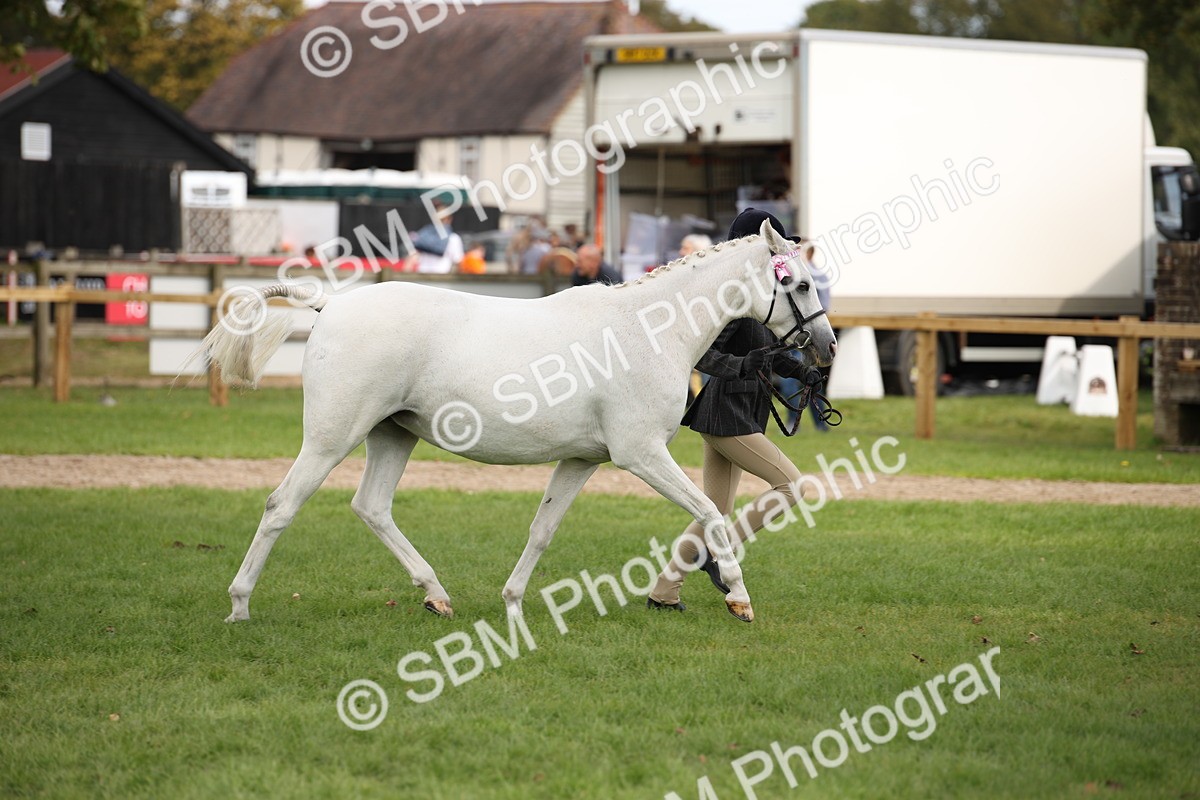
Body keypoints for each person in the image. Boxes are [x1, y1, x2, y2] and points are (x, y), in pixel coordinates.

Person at [647, 208, 813, 613]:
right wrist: (745, 366)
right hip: (727, 413)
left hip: (739, 410)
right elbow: (704, 356)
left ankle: (664, 591)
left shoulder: (758, 296)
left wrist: (798, 369)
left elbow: (762, 353)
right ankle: (720, 553)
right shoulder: (730, 301)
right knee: (793, 487)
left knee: (716, 510)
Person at [412, 200, 464, 274]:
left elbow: (413, 257)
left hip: (422, 275)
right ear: (449, 219)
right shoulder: (454, 238)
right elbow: (458, 261)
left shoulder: (424, 234)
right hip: (441, 277)